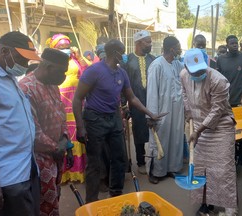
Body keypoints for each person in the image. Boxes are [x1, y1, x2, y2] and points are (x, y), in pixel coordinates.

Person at [72, 39, 164, 203]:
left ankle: (115, 194)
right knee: (95, 162)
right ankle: (91, 201)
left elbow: (132, 97)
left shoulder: (122, 73)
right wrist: (80, 127)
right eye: (122, 51)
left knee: (119, 158)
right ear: (114, 53)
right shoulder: (94, 71)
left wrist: (149, 113)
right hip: (95, 119)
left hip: (114, 117)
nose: (124, 55)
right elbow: (77, 99)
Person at [0, 31, 41, 216]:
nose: (24, 65)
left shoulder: (8, 76)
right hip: (6, 179)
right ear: (4, 51)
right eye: (22, 58)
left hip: (27, 169)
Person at [181, 48, 238, 216]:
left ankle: (230, 210)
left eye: (201, 69)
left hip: (220, 127)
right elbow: (184, 93)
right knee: (200, 168)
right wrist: (188, 112)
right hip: (198, 125)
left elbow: (217, 110)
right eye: (194, 70)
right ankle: (206, 204)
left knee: (223, 169)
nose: (198, 73)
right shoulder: (183, 74)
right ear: (186, 66)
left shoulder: (219, 80)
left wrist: (199, 131)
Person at [19, 48, 74, 215]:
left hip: (57, 153)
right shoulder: (26, 89)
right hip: (39, 159)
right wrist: (56, 148)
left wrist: (67, 144)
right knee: (44, 204)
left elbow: (61, 115)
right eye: (62, 72)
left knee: (55, 197)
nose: (64, 76)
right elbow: (32, 131)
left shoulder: (52, 85)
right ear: (49, 67)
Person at [47, 33, 90, 183]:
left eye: (66, 47)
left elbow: (86, 73)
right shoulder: (51, 63)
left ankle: (78, 171)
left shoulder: (75, 60)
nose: (65, 50)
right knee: (63, 134)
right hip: (60, 101)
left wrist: (79, 57)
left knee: (78, 132)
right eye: (61, 47)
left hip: (76, 101)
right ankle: (64, 173)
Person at [146, 36, 185, 184]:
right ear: (171, 49)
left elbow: (188, 73)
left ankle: (171, 168)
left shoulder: (176, 64)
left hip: (177, 109)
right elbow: (151, 92)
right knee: (159, 140)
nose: (180, 49)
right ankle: (156, 171)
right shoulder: (157, 65)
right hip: (161, 110)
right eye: (178, 46)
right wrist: (151, 115)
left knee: (175, 139)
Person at [122, 30, 156, 175]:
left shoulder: (153, 59)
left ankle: (154, 159)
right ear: (138, 43)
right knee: (138, 131)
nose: (150, 44)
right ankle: (141, 161)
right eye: (147, 42)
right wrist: (124, 105)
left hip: (152, 101)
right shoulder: (127, 60)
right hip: (135, 102)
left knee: (154, 130)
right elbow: (123, 84)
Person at [217, 35, 242, 107]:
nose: (235, 45)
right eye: (232, 44)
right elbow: (218, 79)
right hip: (227, 99)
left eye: (236, 43)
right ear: (227, 46)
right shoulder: (220, 59)